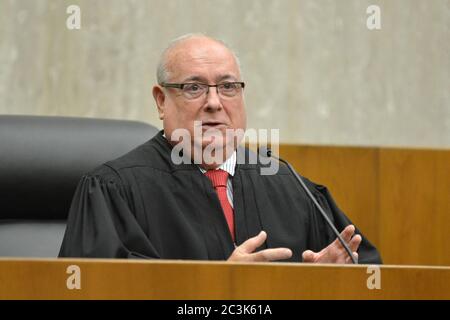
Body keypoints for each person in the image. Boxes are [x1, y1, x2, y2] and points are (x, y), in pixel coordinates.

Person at [59, 34, 382, 264]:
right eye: (194, 87)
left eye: (228, 87)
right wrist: (219, 289)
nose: (214, 103)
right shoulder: (113, 190)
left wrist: (323, 286)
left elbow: (370, 273)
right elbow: (93, 290)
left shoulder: (292, 187)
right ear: (161, 100)